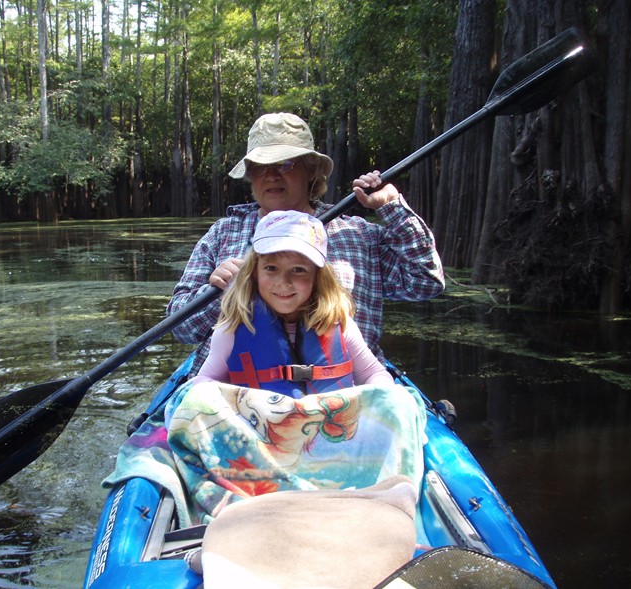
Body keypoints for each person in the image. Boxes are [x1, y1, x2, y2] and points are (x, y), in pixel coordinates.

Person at [167, 111, 444, 375]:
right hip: (236, 394)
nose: (272, 175)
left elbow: (424, 281)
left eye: (286, 164)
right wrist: (217, 294)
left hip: (343, 393)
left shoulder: (359, 233)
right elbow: (180, 328)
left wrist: (391, 206)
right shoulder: (222, 233)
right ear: (251, 175)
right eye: (261, 167)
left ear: (312, 171)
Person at [190, 210, 394, 396]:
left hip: (329, 429)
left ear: (318, 276)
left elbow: (373, 373)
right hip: (257, 430)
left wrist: (381, 394)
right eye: (271, 268)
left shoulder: (339, 323)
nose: (283, 282)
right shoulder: (232, 328)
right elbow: (205, 379)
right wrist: (204, 393)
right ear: (254, 273)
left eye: (298, 270)